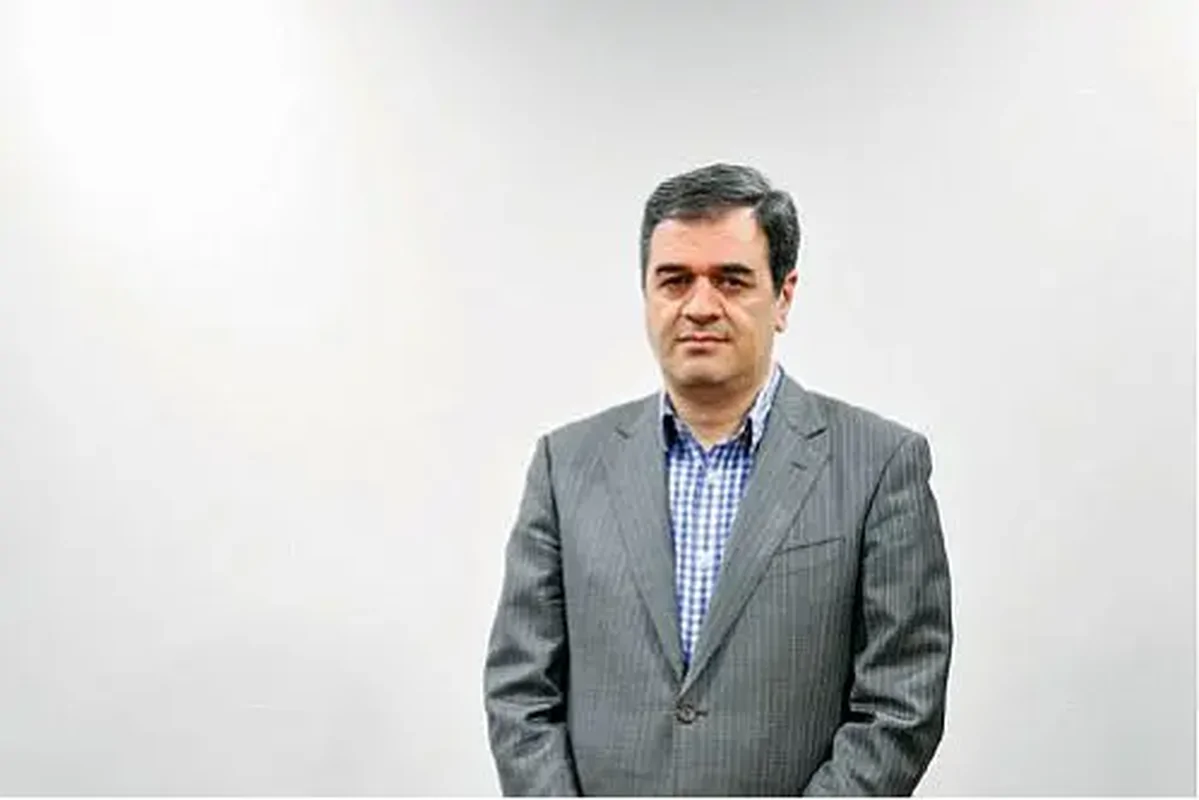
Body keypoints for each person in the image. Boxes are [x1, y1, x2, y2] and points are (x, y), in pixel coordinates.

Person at [483, 163, 953, 796]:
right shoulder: (564, 467)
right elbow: (520, 693)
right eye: (674, 280)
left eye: (731, 280)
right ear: (646, 295)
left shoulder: (880, 466)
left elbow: (901, 702)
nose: (700, 306)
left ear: (783, 297)